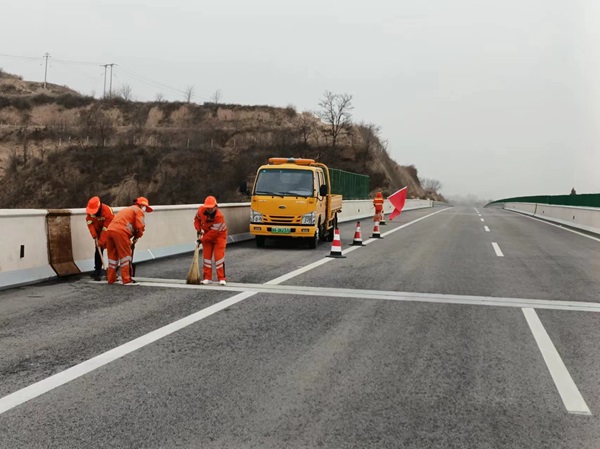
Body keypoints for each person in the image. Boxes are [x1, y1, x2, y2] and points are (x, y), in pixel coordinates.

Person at [106, 197, 153, 285]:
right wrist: (137, 237)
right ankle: (127, 280)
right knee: (125, 257)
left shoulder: (128, 209)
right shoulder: (138, 211)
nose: (145, 209)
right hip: (121, 232)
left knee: (112, 258)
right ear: (142, 205)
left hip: (110, 231)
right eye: (145, 207)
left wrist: (134, 236)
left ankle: (111, 279)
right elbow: (141, 226)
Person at [194, 195, 228, 285]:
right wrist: (198, 229)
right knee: (207, 258)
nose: (209, 210)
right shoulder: (201, 210)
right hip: (206, 235)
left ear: (215, 207)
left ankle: (221, 278)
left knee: (219, 258)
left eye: (211, 208)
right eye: (207, 208)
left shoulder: (219, 216)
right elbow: (197, 219)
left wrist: (202, 240)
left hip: (219, 237)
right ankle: (207, 278)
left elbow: (213, 233)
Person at [85, 196, 114, 281]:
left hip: (109, 230)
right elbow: (89, 223)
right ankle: (97, 270)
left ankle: (113, 269)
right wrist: (94, 235)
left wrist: (101, 241)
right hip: (97, 231)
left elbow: (106, 228)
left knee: (112, 248)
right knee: (98, 250)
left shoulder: (108, 211)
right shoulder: (90, 211)